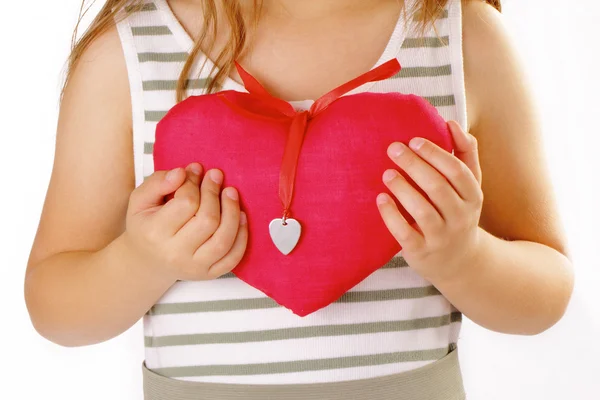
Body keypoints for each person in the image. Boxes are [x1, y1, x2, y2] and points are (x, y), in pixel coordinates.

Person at [24, 0, 575, 398]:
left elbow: (546, 290)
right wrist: (139, 261)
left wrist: (466, 258)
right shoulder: (128, 48)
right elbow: (53, 305)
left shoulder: (461, 32)